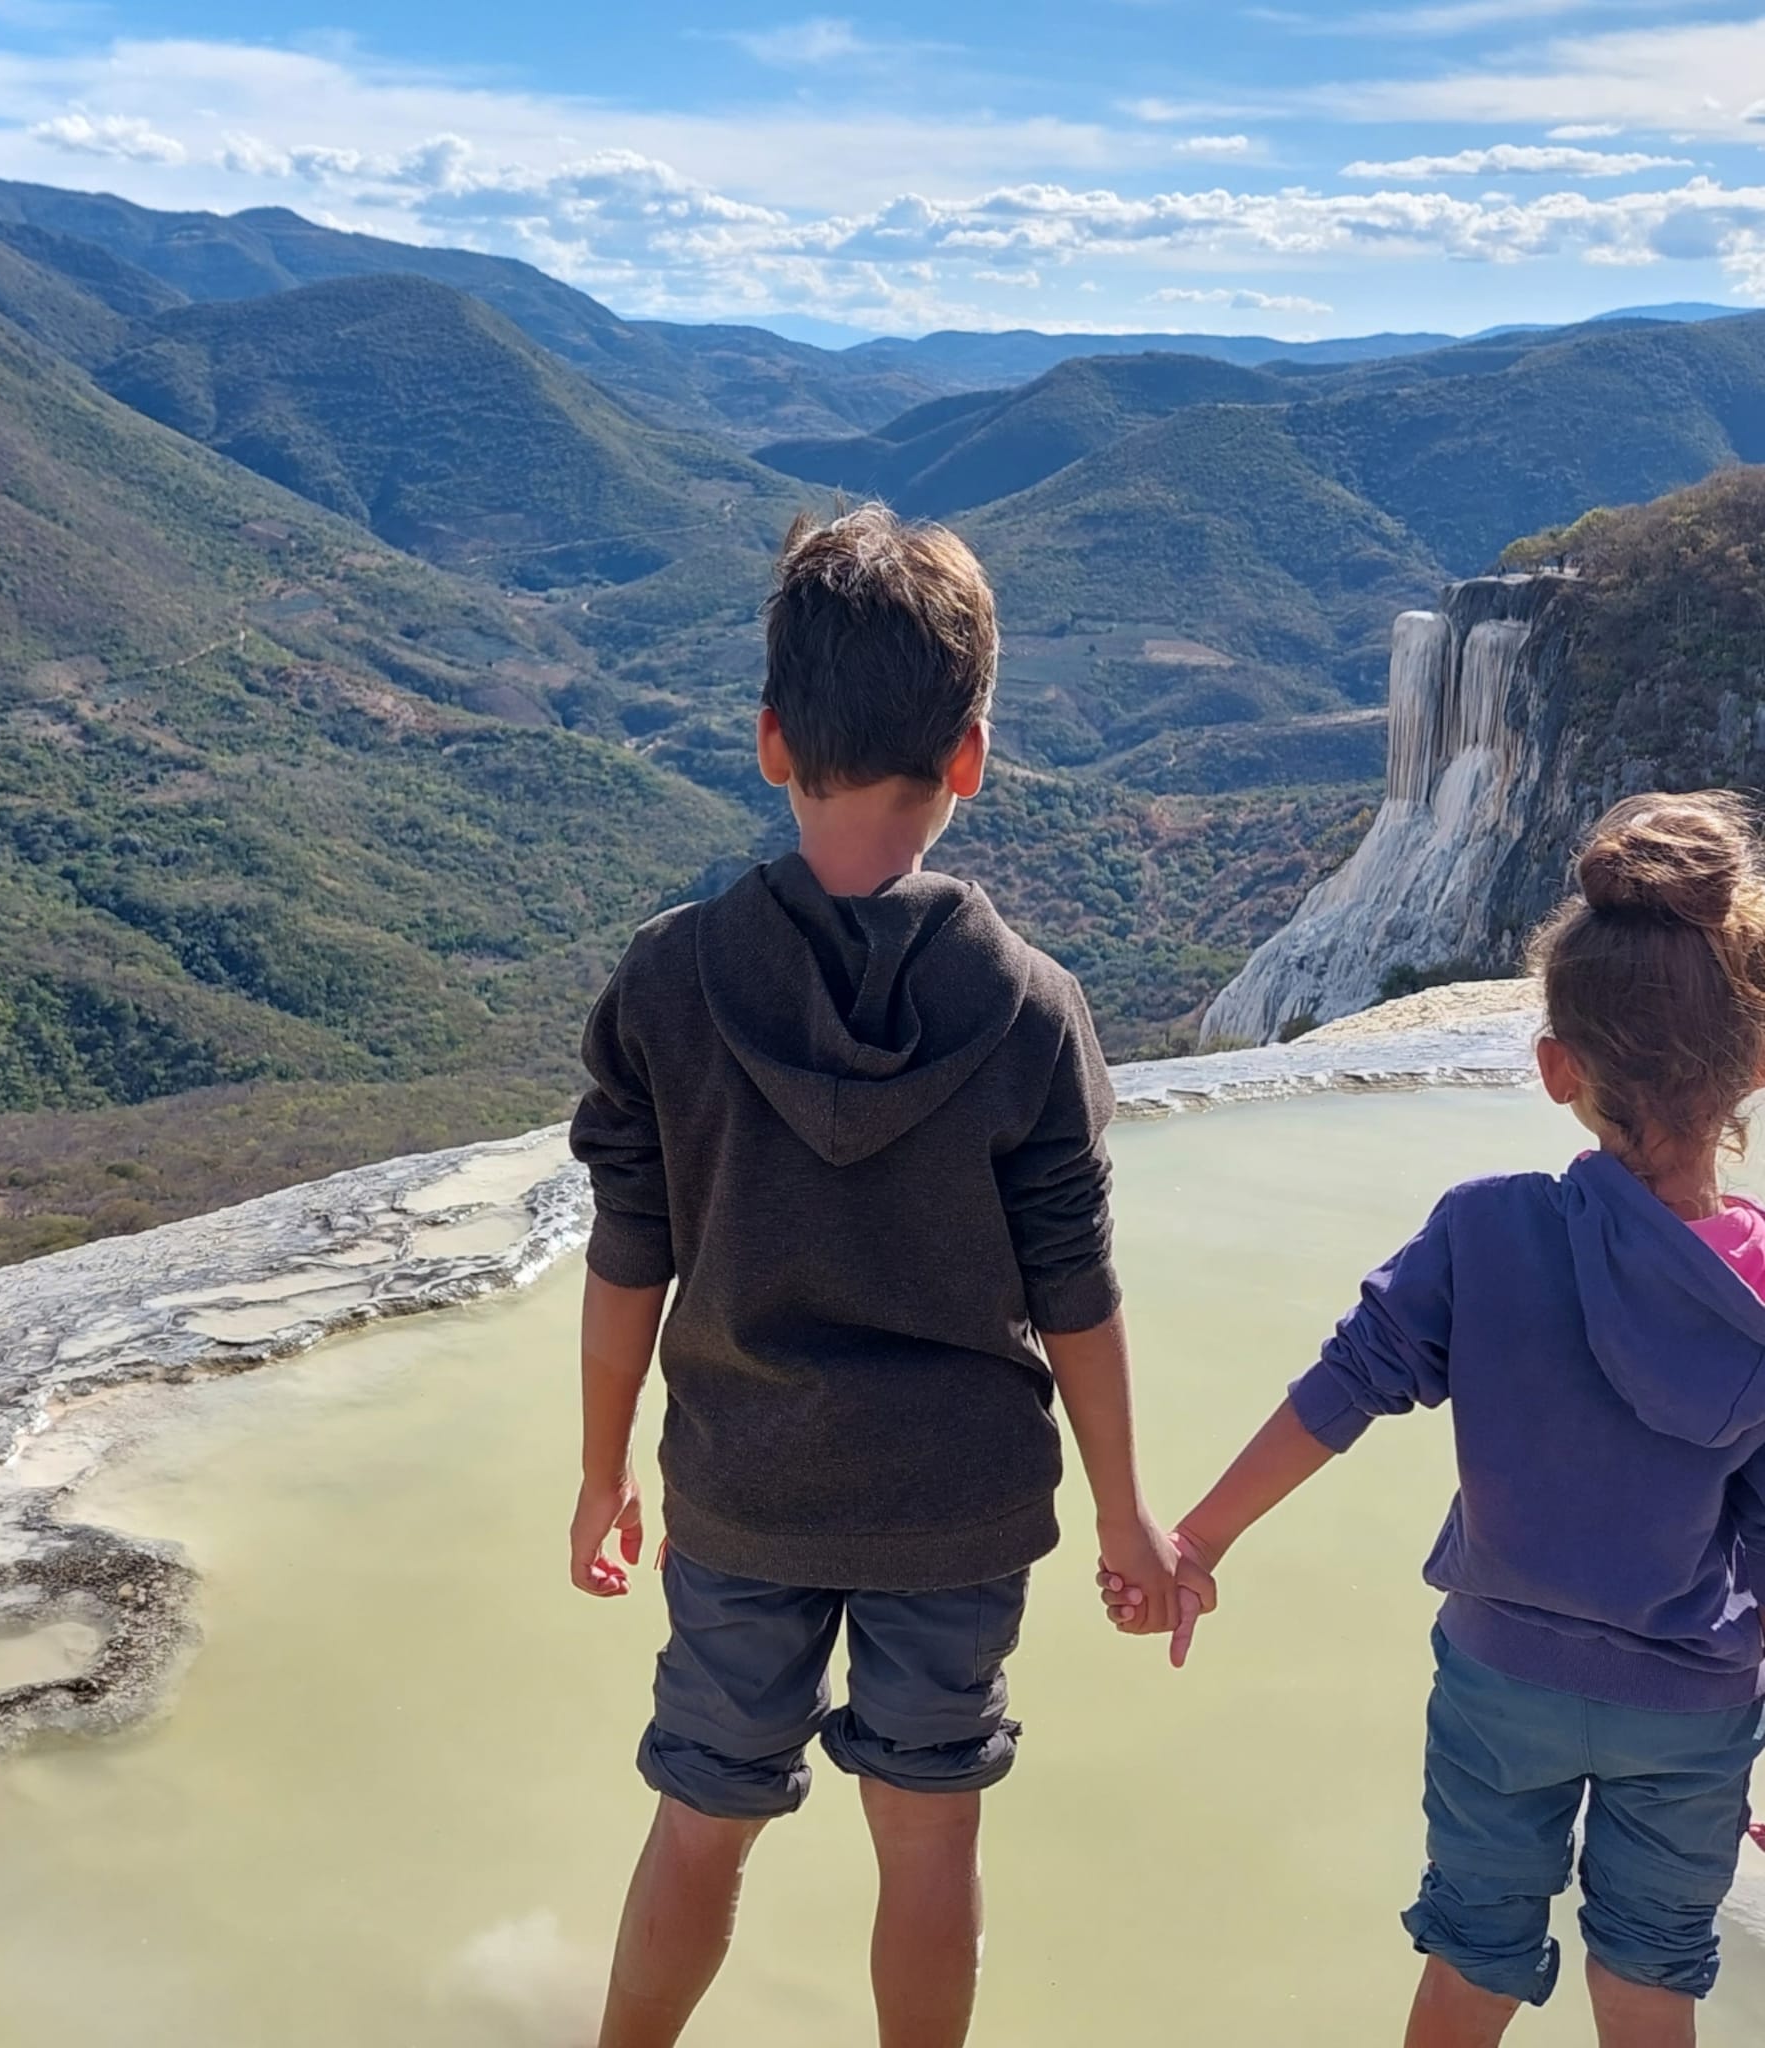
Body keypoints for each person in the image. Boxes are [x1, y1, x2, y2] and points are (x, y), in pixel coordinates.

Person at [568, 504, 1180, 2048]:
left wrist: (600, 1469)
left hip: (741, 1487)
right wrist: (1125, 1511)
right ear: (970, 756)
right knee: (929, 1837)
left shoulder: (668, 981)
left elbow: (629, 1253)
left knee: (702, 1818)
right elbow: (1077, 1285)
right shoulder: (1032, 1008)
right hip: (955, 1506)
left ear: (772, 740)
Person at [1104, 790, 1765, 2048]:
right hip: (1688, 1702)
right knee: (1649, 1978)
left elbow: (1342, 1385)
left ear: (1557, 1068)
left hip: (1499, 1676)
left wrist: (1195, 1539)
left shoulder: (1483, 1229)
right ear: (1753, 1061)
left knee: (1469, 1954)